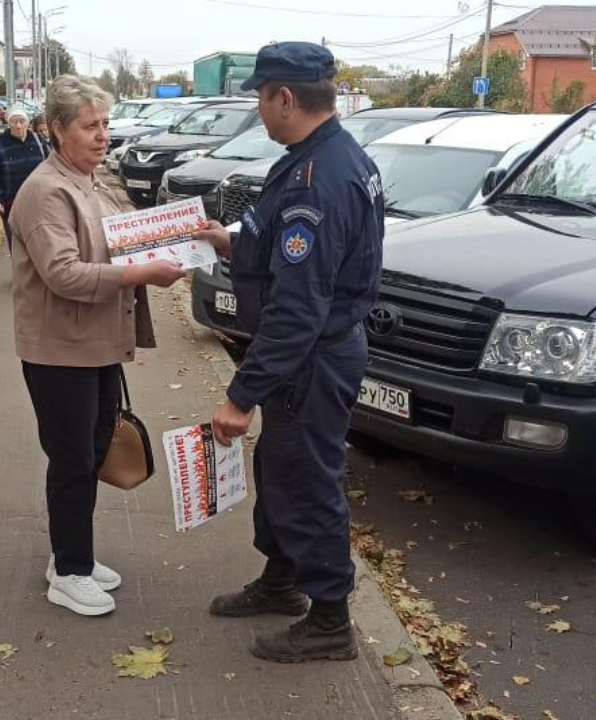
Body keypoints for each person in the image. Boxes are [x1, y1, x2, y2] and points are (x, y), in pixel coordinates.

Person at [192, 42, 385, 662]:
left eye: (259, 97)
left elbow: (299, 307)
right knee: (281, 468)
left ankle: (330, 621)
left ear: (285, 98)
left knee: (306, 481)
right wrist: (231, 242)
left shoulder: (318, 177)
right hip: (311, 356)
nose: (258, 109)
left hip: (312, 358)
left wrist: (241, 394)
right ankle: (283, 584)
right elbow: (278, 245)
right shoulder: (318, 156)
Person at [11, 75, 186, 617]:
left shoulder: (88, 180)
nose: (102, 135)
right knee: (71, 460)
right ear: (57, 129)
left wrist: (182, 232)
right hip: (60, 351)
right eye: (90, 126)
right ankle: (69, 572)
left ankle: (71, 557)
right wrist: (140, 271)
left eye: (106, 124)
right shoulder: (46, 190)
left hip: (97, 345)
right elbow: (63, 274)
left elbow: (126, 234)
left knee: (90, 452)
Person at [0, 109, 48, 252]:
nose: (19, 126)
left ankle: (39, 272)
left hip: (38, 202)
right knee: (17, 244)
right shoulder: (0, 143)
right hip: (11, 204)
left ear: (27, 123)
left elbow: (51, 167)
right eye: (14, 122)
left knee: (40, 242)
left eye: (22, 121)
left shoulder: (38, 140)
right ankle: (21, 272)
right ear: (9, 124)